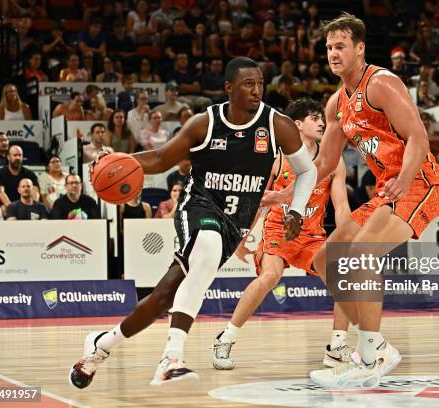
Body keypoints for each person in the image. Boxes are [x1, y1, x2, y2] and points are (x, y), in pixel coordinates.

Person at [69, 57, 315, 387]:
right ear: (229, 88)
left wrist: (297, 210)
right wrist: (117, 161)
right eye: (248, 84)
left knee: (165, 295)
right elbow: (159, 158)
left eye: (259, 83)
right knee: (207, 248)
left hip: (235, 223)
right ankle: (171, 358)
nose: (257, 90)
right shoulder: (204, 123)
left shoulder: (276, 125)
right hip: (197, 205)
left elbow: (307, 170)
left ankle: (100, 347)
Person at [264, 13, 439, 389]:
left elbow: (418, 137)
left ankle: (371, 353)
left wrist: (406, 177)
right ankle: (372, 344)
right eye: (329, 47)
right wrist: (288, 193)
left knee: (361, 252)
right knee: (324, 257)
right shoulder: (335, 104)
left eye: (341, 46)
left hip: (421, 182)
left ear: (360, 49)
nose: (333, 53)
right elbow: (326, 164)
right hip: (387, 189)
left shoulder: (381, 84)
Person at [212, 98, 352, 370]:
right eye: (314, 118)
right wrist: (242, 239)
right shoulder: (276, 159)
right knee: (271, 276)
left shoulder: (333, 162)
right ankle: (225, 337)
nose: (322, 122)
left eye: (322, 118)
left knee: (343, 276)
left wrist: (348, 238)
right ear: (297, 125)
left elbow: (342, 207)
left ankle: (337, 346)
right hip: (278, 231)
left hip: (312, 236)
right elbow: (256, 201)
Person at [0, 145, 40, 210]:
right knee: (3, 209)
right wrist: (13, 209)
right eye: (15, 155)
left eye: (20, 155)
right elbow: (1, 193)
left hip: (27, 205)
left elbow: (35, 192)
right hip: (8, 206)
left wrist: (32, 207)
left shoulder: (30, 174)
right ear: (8, 157)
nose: (18, 158)